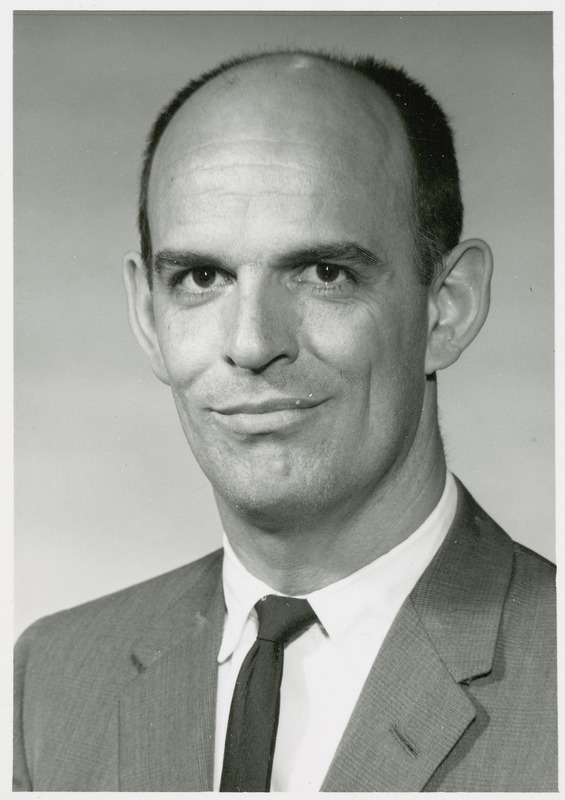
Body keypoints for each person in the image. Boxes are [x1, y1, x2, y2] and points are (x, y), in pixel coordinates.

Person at [13, 49, 556, 792]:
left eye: (324, 273)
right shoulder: (54, 677)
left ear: (447, 308)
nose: (252, 343)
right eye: (201, 278)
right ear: (148, 317)